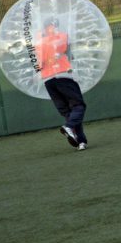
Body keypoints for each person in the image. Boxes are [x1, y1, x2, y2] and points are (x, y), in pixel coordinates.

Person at [35, 18, 88, 150]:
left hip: (48, 80)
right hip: (63, 75)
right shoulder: (63, 36)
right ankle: (69, 127)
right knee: (78, 106)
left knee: (68, 112)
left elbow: (38, 62)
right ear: (55, 26)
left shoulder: (38, 42)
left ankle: (80, 141)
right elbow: (70, 55)